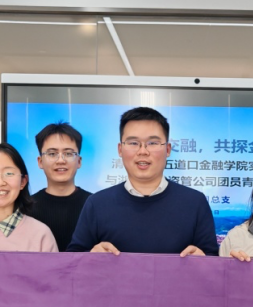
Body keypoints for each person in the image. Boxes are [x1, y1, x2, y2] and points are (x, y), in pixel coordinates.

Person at [67, 107, 218, 256]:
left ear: (167, 149)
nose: (143, 151)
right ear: (120, 149)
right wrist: (90, 255)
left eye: (152, 143)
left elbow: (213, 259)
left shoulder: (195, 203)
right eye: (133, 143)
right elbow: (72, 259)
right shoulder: (97, 204)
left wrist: (204, 260)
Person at [29, 122, 91, 251]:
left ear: (79, 161)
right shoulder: (26, 208)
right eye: (52, 154)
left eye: (68, 154)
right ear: (40, 162)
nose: (61, 160)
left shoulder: (95, 205)